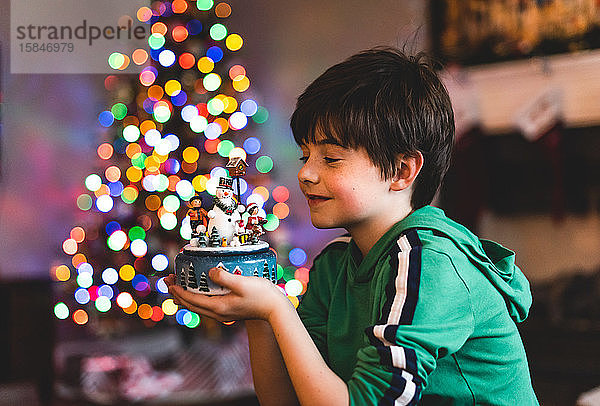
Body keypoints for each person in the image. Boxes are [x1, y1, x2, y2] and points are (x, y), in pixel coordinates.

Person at [166, 47, 539, 405]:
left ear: (400, 171)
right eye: (305, 155)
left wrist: (278, 308)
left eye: (330, 158)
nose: (306, 174)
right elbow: (287, 399)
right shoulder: (336, 263)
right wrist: (260, 316)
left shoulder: (428, 263)